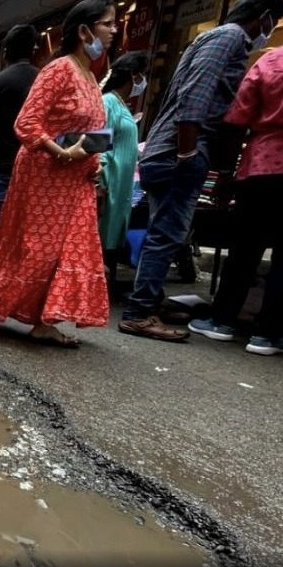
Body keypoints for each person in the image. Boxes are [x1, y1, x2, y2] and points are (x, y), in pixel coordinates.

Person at [118, 0, 283, 341]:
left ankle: (146, 303)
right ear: (263, 17)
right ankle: (140, 312)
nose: (269, 31)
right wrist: (189, 152)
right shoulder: (229, 39)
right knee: (167, 234)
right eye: (273, 21)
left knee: (164, 232)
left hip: (171, 151)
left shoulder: (219, 38)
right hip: (177, 152)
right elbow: (195, 97)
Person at [0, 0, 116, 346]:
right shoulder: (59, 69)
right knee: (37, 250)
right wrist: (62, 152)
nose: (113, 31)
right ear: (84, 31)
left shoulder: (90, 76)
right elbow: (27, 122)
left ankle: (45, 319)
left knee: (72, 250)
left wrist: (94, 161)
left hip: (77, 181)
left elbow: (90, 132)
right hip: (45, 175)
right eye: (108, 24)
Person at [188, 47, 283, 355]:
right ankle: (268, 334)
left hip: (262, 164)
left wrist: (225, 172)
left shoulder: (272, 60)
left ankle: (222, 320)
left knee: (244, 248)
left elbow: (236, 118)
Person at [0, 25, 39, 262]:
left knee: (4, 231)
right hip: (33, 170)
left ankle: (0, 281)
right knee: (26, 234)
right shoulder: (42, 81)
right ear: (33, 49)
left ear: (5, 52)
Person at [97, 52, 149, 278]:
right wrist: (99, 182)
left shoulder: (121, 105)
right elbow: (99, 144)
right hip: (109, 187)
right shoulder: (108, 102)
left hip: (120, 189)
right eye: (141, 75)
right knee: (101, 243)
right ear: (132, 75)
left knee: (110, 243)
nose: (143, 81)